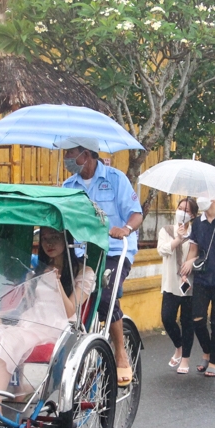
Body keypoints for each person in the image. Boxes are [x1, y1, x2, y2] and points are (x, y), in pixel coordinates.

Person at [0, 228, 95, 395]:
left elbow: (70, 311)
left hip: (58, 326)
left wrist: (57, 284)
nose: (49, 243)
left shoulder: (85, 272)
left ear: (67, 239)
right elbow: (25, 306)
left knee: (8, 342)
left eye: (55, 237)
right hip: (31, 321)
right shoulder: (38, 270)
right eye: (44, 238)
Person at [59, 137, 143, 387]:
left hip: (114, 251)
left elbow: (136, 213)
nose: (67, 159)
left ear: (86, 154)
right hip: (81, 253)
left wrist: (125, 229)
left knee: (105, 296)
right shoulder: (68, 185)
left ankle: (120, 352)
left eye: (71, 153)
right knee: (55, 292)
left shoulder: (115, 179)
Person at [179, 196, 215, 378]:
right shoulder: (198, 223)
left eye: (204, 195)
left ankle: (213, 362)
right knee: (197, 318)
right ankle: (207, 352)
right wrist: (187, 265)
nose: (200, 199)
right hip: (202, 278)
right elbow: (194, 249)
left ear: (214, 198)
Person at [157, 198, 198, 373]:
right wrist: (178, 239)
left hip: (190, 284)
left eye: (186, 210)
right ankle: (179, 346)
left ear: (193, 215)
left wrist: (191, 262)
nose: (181, 212)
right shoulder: (166, 230)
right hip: (171, 284)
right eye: (180, 208)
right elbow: (162, 250)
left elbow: (202, 254)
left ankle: (185, 360)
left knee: (187, 322)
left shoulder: (197, 232)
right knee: (167, 318)